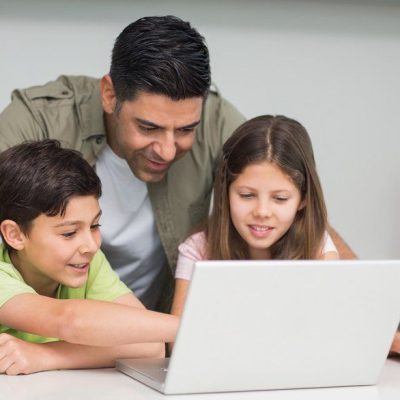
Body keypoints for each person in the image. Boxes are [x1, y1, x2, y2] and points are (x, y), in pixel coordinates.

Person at [0, 16, 355, 312]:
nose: (168, 150)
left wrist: (381, 321)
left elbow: (289, 195)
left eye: (186, 129)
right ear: (110, 95)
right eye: (148, 127)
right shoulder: (36, 121)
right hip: (41, 324)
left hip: (150, 332)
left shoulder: (217, 121)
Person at [0, 140, 178, 375]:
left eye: (95, 225)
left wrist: (43, 355)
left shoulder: (84, 260)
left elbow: (148, 344)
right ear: (15, 235)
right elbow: (69, 320)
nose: (91, 245)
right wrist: (192, 326)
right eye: (69, 233)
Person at [171, 115, 339, 318]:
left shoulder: (318, 249)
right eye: (247, 195)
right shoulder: (198, 250)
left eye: (280, 198)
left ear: (303, 199)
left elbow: (326, 325)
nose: (262, 211)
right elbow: (177, 340)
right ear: (225, 193)